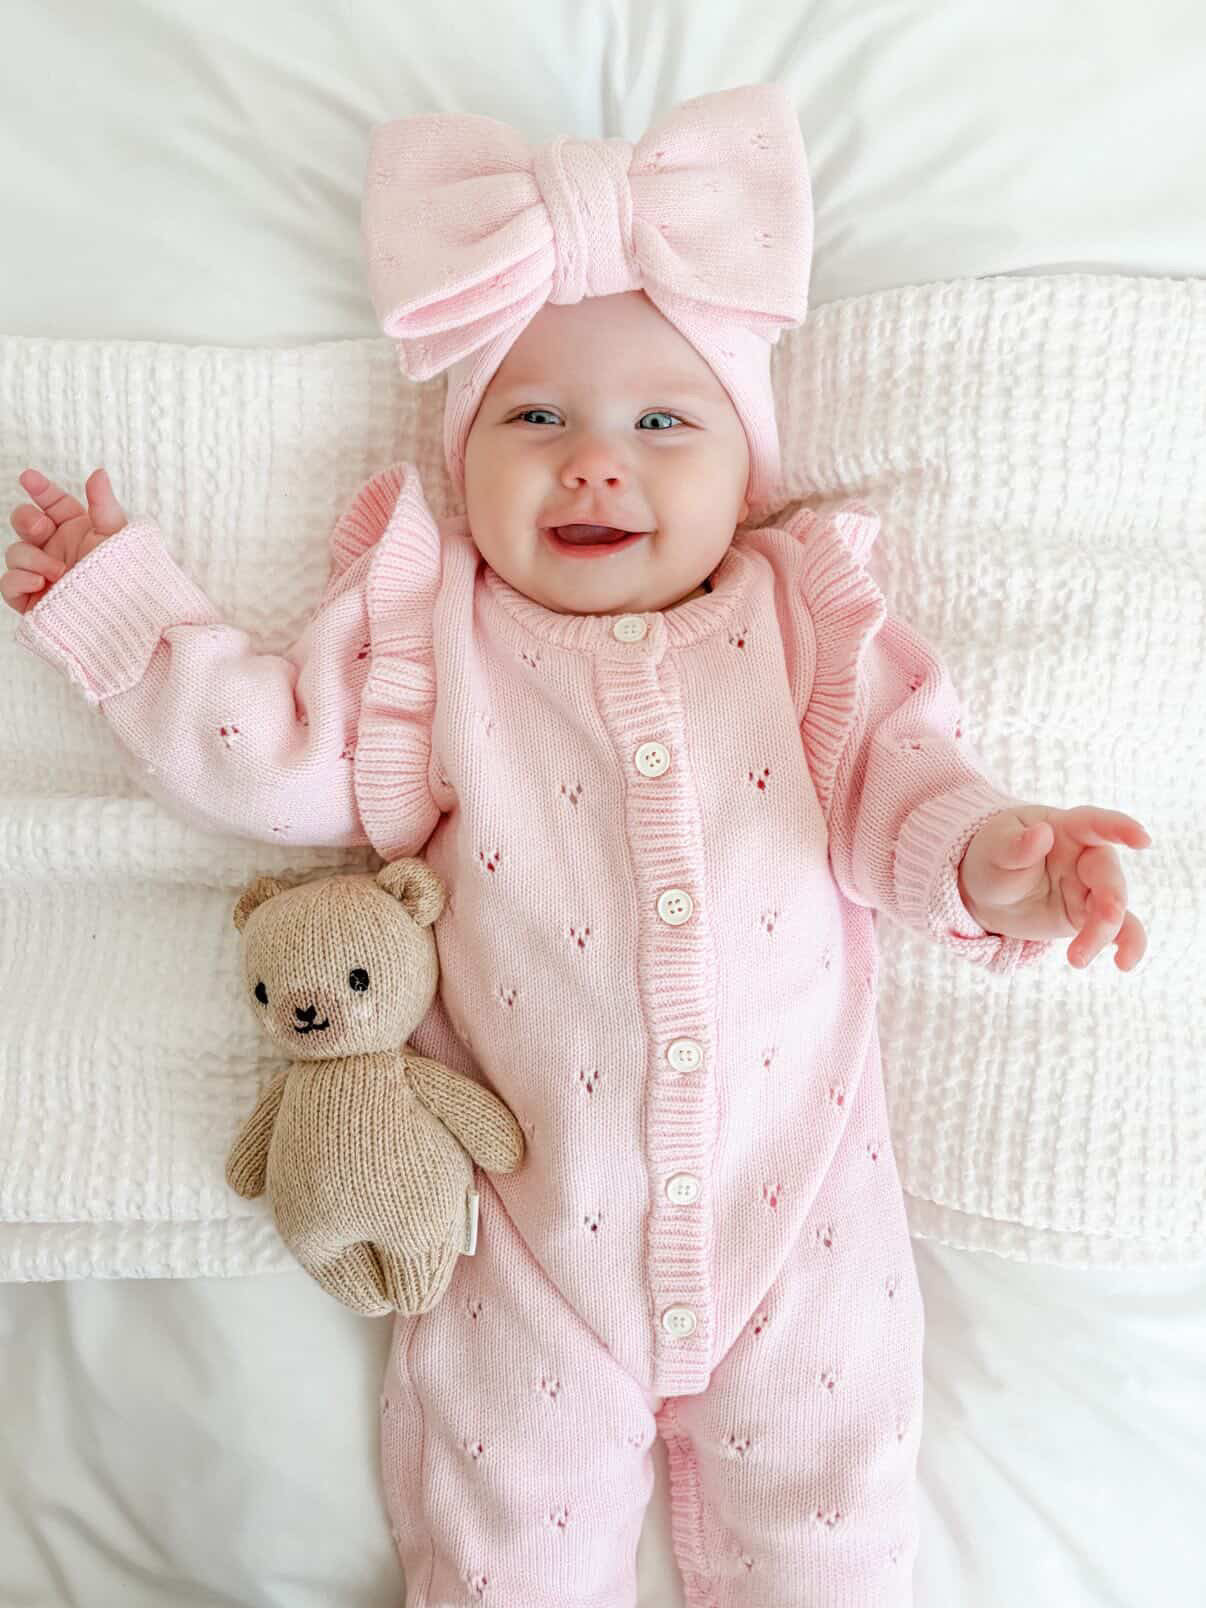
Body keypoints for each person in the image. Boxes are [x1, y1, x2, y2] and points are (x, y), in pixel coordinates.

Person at [3, 84, 1149, 1607]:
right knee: (497, 1557)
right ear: (463, 461)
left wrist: (1003, 856)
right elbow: (273, 761)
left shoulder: (798, 621)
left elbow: (901, 796)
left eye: (663, 423)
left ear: (742, 469)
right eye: (533, 418)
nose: (594, 461)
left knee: (832, 1545)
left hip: (800, 1228)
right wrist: (128, 610)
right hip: (526, 1247)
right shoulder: (435, 638)